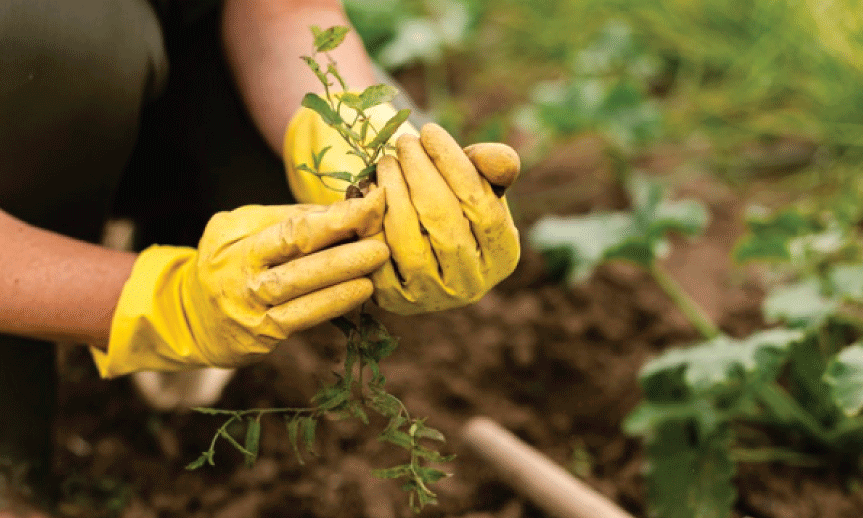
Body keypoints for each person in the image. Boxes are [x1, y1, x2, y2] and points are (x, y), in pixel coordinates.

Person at [0, 0, 520, 515]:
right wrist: (157, 303)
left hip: (156, 69)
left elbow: (285, 8)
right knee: (60, 44)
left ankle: (118, 236)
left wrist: (356, 157)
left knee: (303, 151)